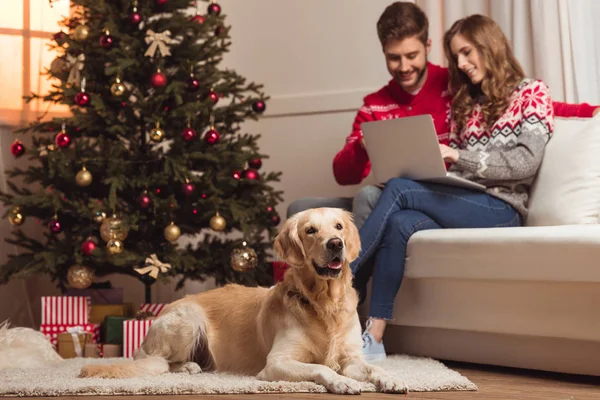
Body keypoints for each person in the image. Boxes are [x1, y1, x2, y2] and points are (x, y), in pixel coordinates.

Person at [353, 13, 556, 362]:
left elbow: (526, 162)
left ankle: (344, 281)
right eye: (455, 57)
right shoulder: (469, 104)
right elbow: (465, 170)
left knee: (401, 189)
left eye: (466, 53)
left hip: (503, 209)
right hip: (468, 199)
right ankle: (373, 337)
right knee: (401, 223)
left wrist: (458, 155)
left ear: (489, 47)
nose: (460, 64)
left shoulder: (531, 93)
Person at [286, 1, 599, 227]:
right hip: (392, 192)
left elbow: (519, 100)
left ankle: (352, 302)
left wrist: (590, 110)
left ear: (428, 46)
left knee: (368, 196)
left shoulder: (454, 84)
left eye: (412, 55)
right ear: (383, 52)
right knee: (302, 210)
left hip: (440, 192)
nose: (404, 66)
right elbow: (344, 175)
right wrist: (360, 146)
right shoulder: (374, 105)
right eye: (394, 58)